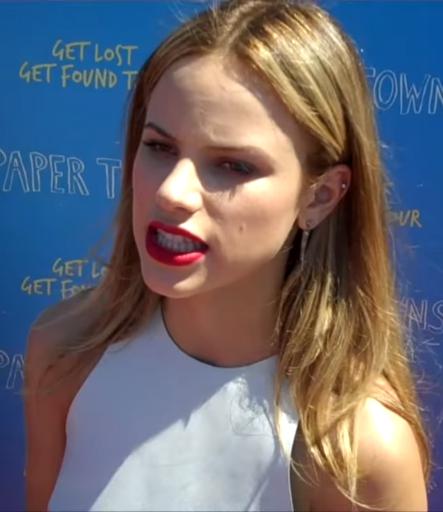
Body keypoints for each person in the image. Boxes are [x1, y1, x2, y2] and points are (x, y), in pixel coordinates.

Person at [23, 0, 430, 510]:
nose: (172, 192)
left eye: (233, 165)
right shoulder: (66, 351)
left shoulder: (357, 451)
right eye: (160, 147)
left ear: (320, 196)